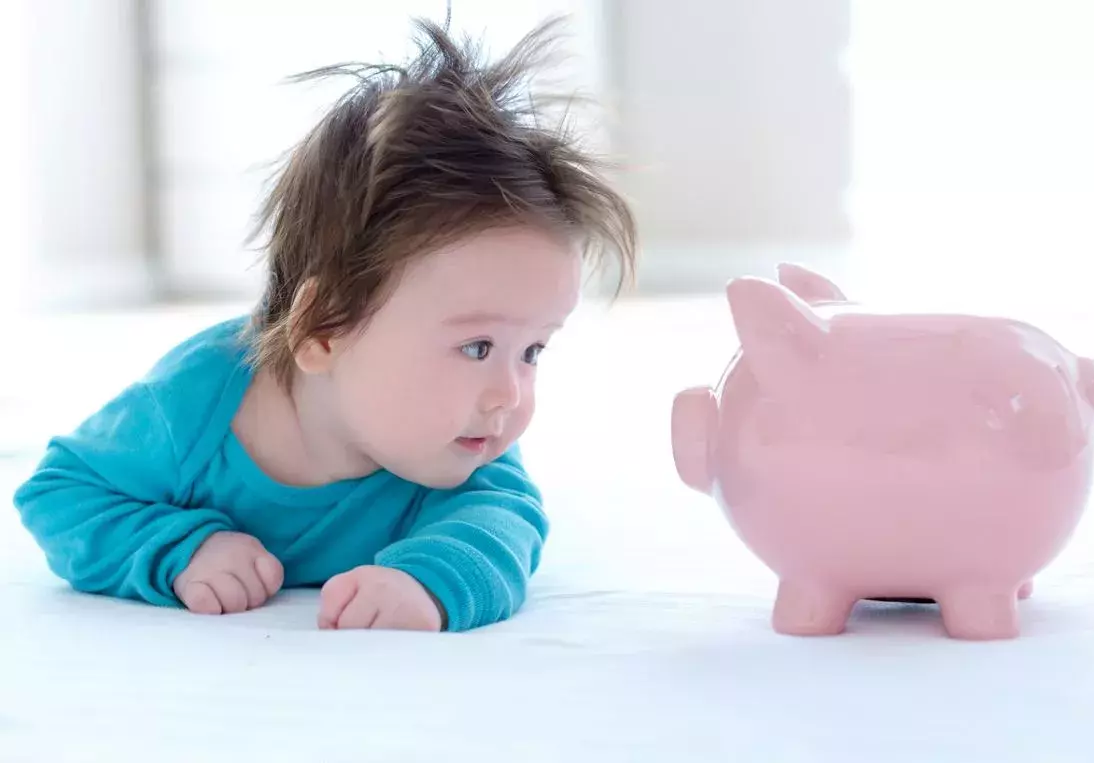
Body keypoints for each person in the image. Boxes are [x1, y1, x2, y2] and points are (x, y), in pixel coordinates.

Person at [11, 16, 638, 632]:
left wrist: (427, 583)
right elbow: (62, 493)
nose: (510, 394)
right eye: (476, 347)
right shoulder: (189, 408)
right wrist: (178, 549)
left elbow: (503, 523)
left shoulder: (461, 446)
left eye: (531, 351)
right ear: (324, 329)